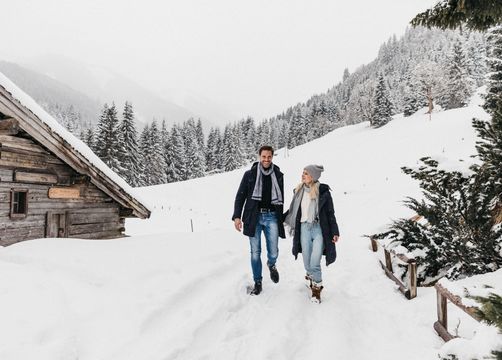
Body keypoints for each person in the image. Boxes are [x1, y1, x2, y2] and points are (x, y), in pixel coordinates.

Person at [232, 145, 285, 295]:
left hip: (272, 216)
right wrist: (237, 217)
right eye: (264, 157)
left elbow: (281, 199)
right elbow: (240, 196)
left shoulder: (278, 175)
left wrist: (282, 218)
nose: (266, 160)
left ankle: (271, 264)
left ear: (272, 157)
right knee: (255, 252)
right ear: (259, 157)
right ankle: (258, 281)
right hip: (253, 217)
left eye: (269, 157)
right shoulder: (249, 175)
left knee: (273, 250)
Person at [284, 165, 340, 303]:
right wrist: (278, 217)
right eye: (303, 173)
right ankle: (310, 275)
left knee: (315, 261)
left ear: (313, 176)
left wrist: (335, 231)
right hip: (303, 229)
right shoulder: (299, 191)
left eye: (306, 173)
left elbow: (330, 213)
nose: (303, 175)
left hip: (319, 229)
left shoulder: (323, 192)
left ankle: (316, 290)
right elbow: (292, 211)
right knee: (307, 262)